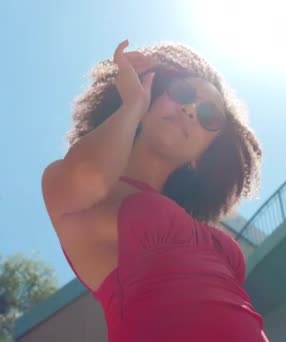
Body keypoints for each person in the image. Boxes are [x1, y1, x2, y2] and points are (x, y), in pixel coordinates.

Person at [42, 39, 268, 342]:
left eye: (209, 116)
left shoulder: (195, 227)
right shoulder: (77, 184)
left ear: (202, 155)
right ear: (151, 98)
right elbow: (92, 177)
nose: (190, 109)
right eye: (183, 94)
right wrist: (132, 103)